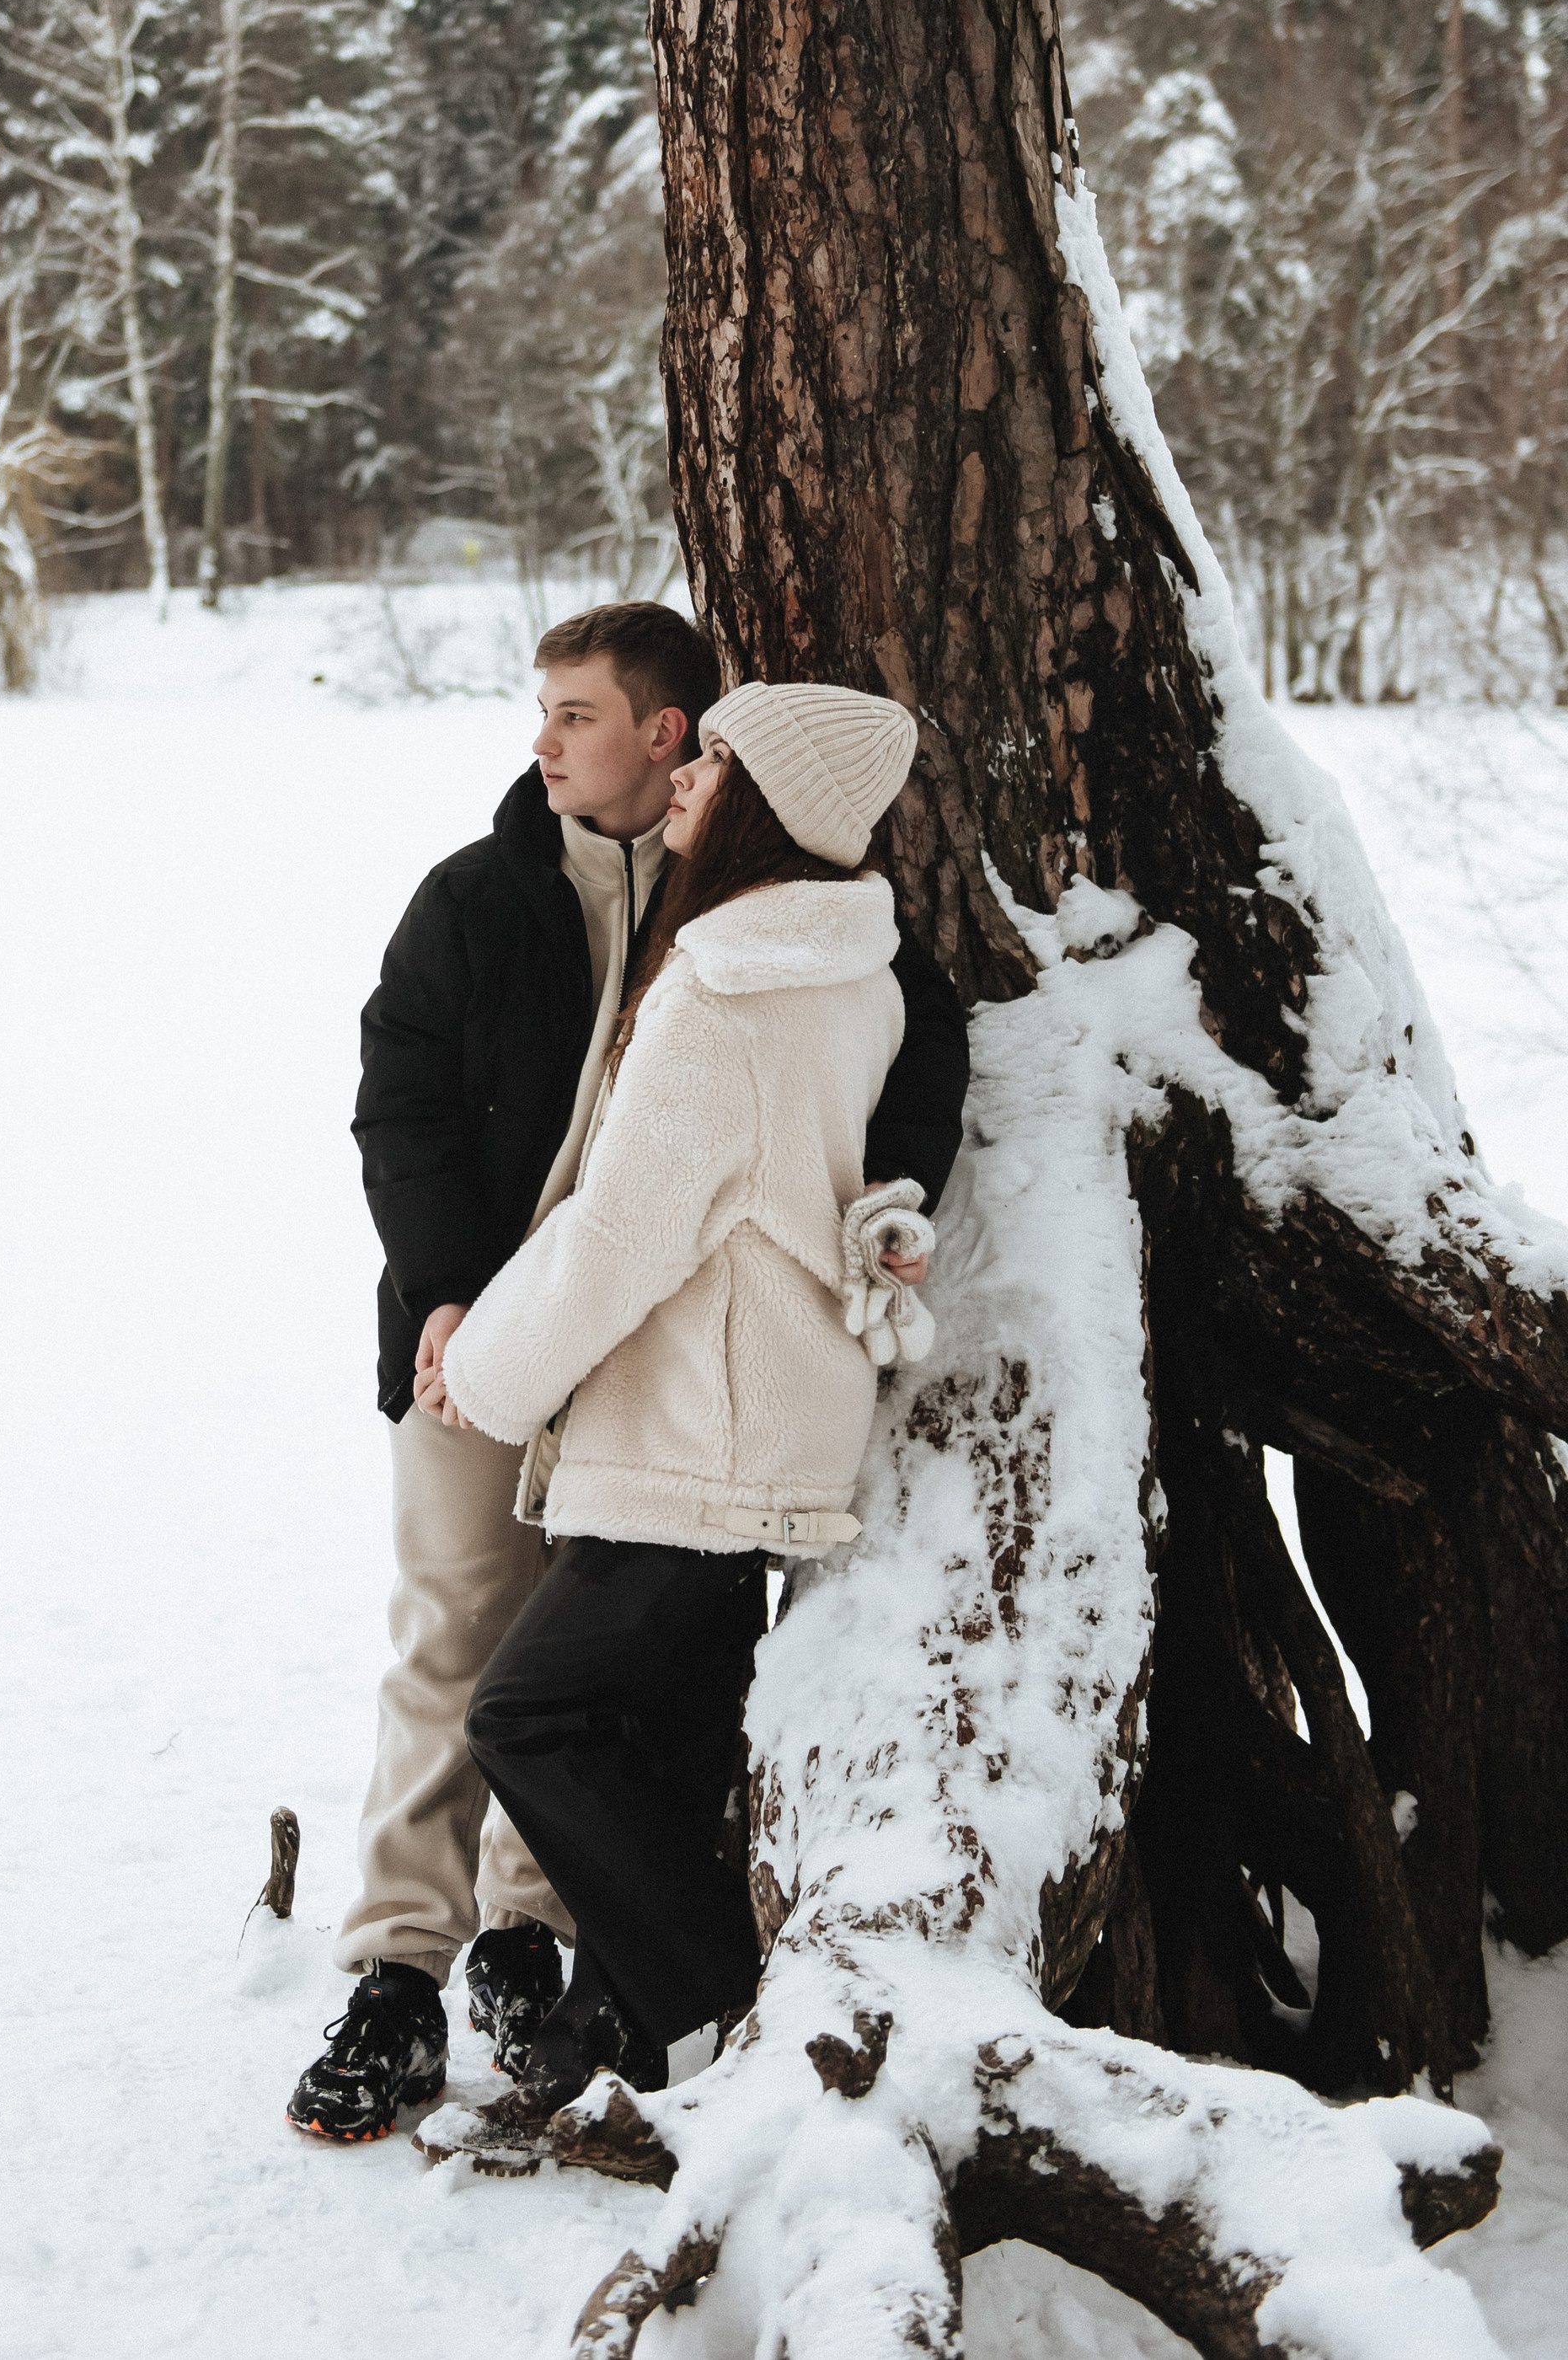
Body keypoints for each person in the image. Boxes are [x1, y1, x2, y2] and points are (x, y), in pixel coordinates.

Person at [285, 617, 968, 2143]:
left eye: (575, 714)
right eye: (542, 712)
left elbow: (916, 1065)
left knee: (571, 1674)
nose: (542, 742)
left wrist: (896, 1190)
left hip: (658, 1368)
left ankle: (537, 1954)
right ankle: (402, 1966)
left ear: (672, 738)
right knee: (460, 1636)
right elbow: (401, 1113)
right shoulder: (478, 897)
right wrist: (459, 1309)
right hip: (480, 1342)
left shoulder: (767, 913)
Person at [442, 682, 936, 2107]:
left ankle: (732, 2017)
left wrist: (484, 1370)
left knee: (527, 1719)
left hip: (695, 1429)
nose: (685, 780)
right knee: (656, 1758)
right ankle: (651, 2042)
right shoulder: (854, 961)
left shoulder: (724, 985)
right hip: (772, 1411)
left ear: (764, 801)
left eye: (716, 761)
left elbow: (620, 1234)